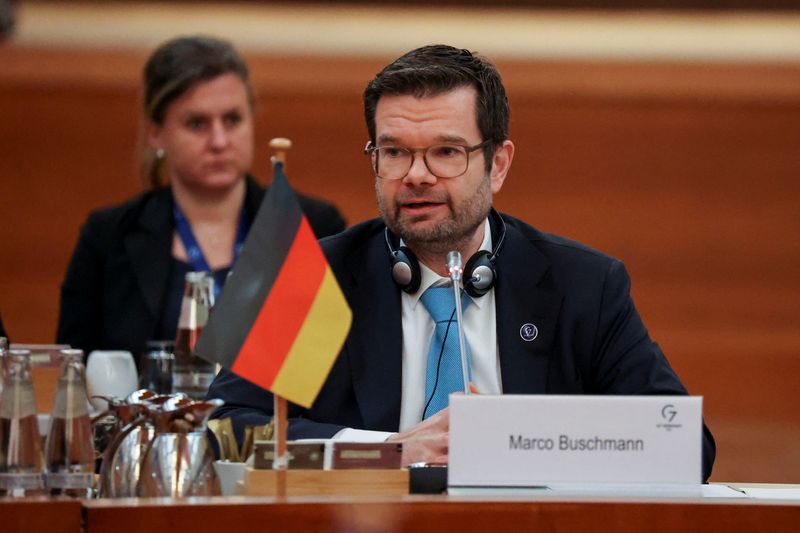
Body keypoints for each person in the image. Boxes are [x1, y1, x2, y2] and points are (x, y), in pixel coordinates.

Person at [208, 44, 715, 481]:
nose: (417, 175)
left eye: (446, 152)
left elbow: (688, 449)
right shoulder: (313, 277)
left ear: (497, 164)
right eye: (394, 152)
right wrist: (385, 453)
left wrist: (525, 442)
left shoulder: (581, 285)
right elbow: (226, 428)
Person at [56, 36, 346, 360]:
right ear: (156, 133)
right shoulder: (108, 237)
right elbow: (74, 370)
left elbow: (342, 364)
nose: (219, 141)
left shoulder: (313, 225)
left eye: (232, 119)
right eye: (197, 124)